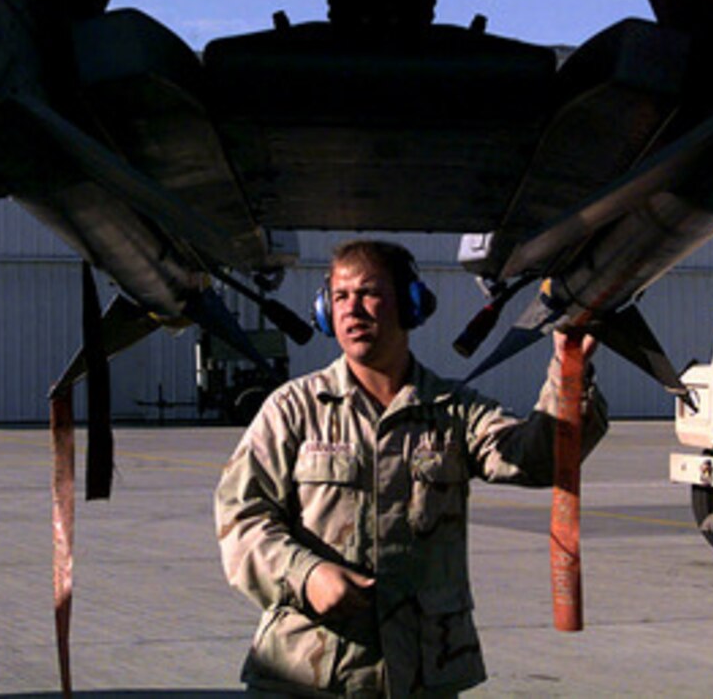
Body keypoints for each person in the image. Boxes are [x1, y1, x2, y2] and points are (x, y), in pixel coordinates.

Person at [214, 240, 608, 697]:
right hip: (308, 674)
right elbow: (240, 518)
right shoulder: (294, 408)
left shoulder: (452, 410)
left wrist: (568, 368)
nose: (352, 310)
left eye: (368, 293)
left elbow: (536, 459)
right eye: (340, 297)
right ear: (325, 311)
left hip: (423, 674)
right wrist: (306, 574)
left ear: (411, 304)